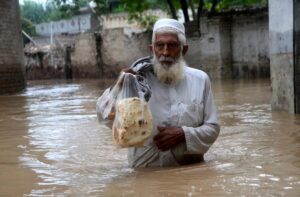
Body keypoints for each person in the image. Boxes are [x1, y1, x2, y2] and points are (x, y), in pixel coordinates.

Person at [96, 18, 220, 168]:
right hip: (145, 172)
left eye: (172, 45)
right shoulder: (136, 81)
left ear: (184, 49)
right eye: (160, 45)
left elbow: (212, 128)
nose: (165, 52)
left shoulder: (200, 80)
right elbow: (104, 117)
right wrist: (118, 87)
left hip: (188, 170)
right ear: (152, 49)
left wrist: (183, 134)